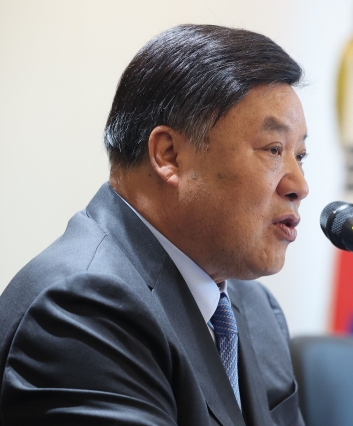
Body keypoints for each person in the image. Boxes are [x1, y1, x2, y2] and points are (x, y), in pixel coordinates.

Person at [0, 24, 308, 426]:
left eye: (300, 156)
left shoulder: (256, 311)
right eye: (273, 150)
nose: (299, 186)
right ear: (169, 156)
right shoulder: (84, 307)